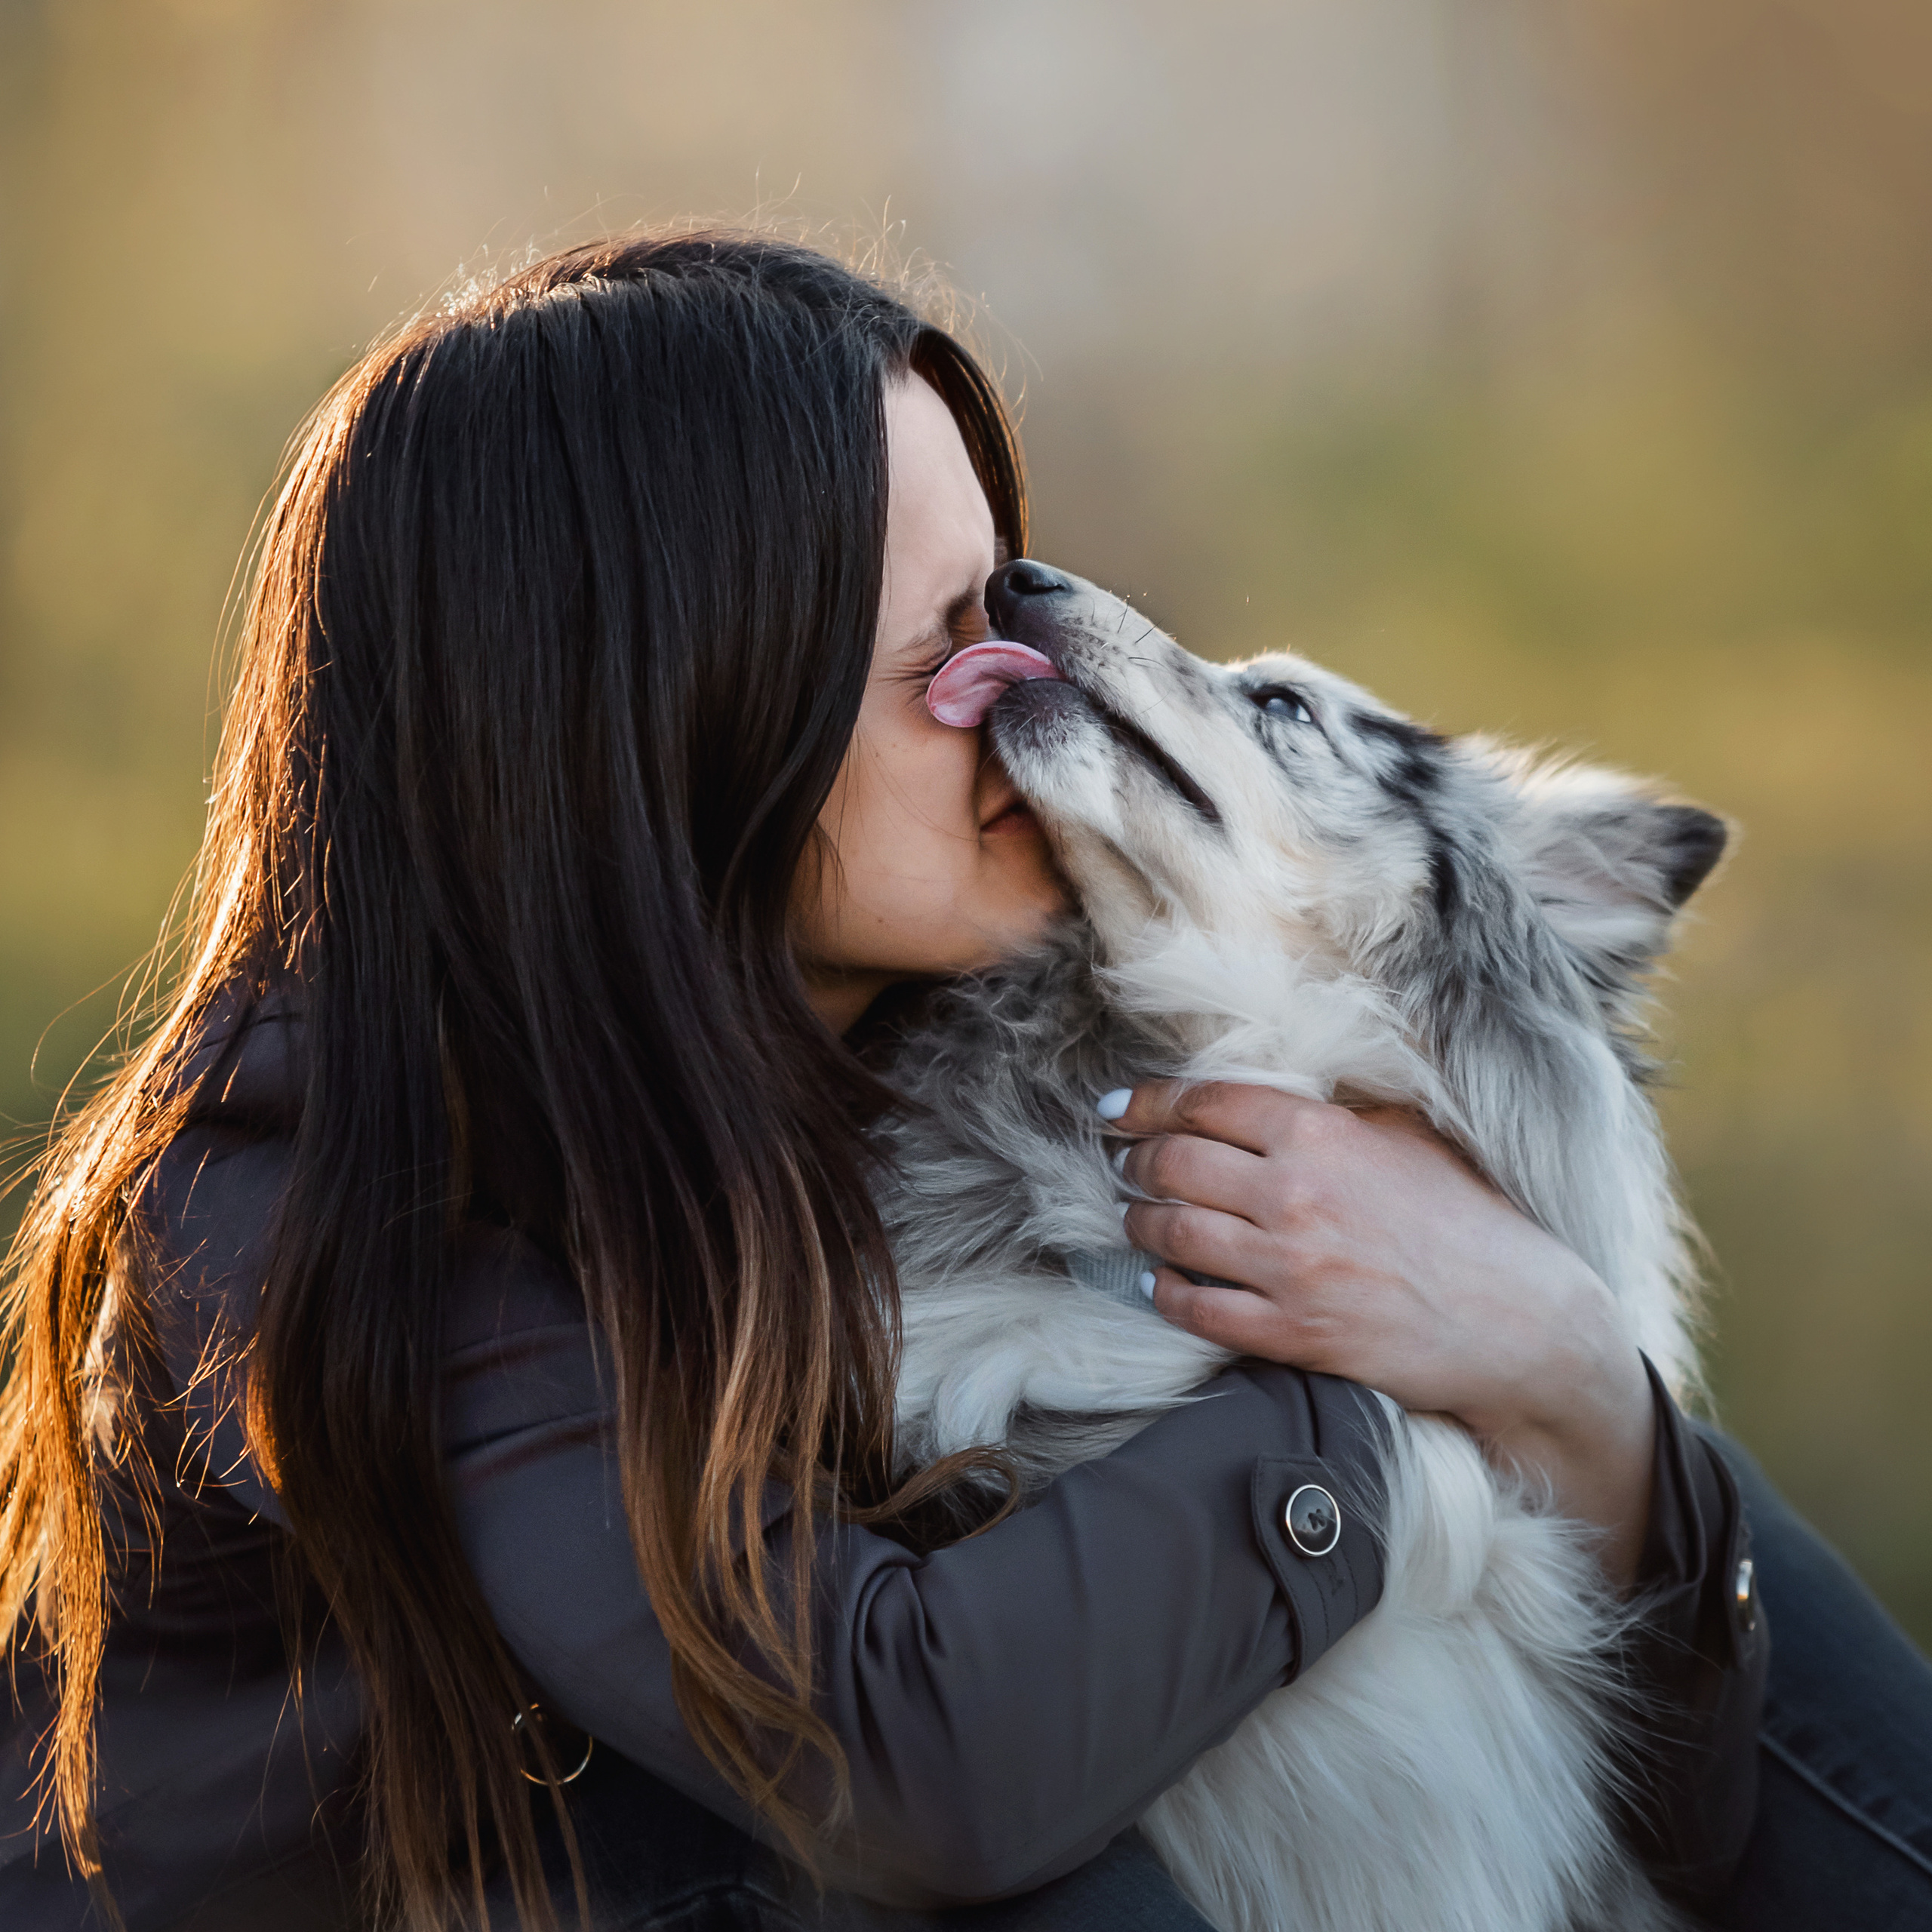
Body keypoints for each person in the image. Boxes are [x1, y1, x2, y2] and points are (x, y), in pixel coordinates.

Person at [0, 231, 1923, 1932]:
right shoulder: (341, 1205)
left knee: (1665, 1495)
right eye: (927, 644)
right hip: (759, 1823)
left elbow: (1689, 1775)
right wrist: (1384, 1400)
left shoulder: (862, 1065)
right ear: (662, 715)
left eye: (995, 598)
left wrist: (1571, 1376)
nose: (1012, 678)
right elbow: (912, 1763)